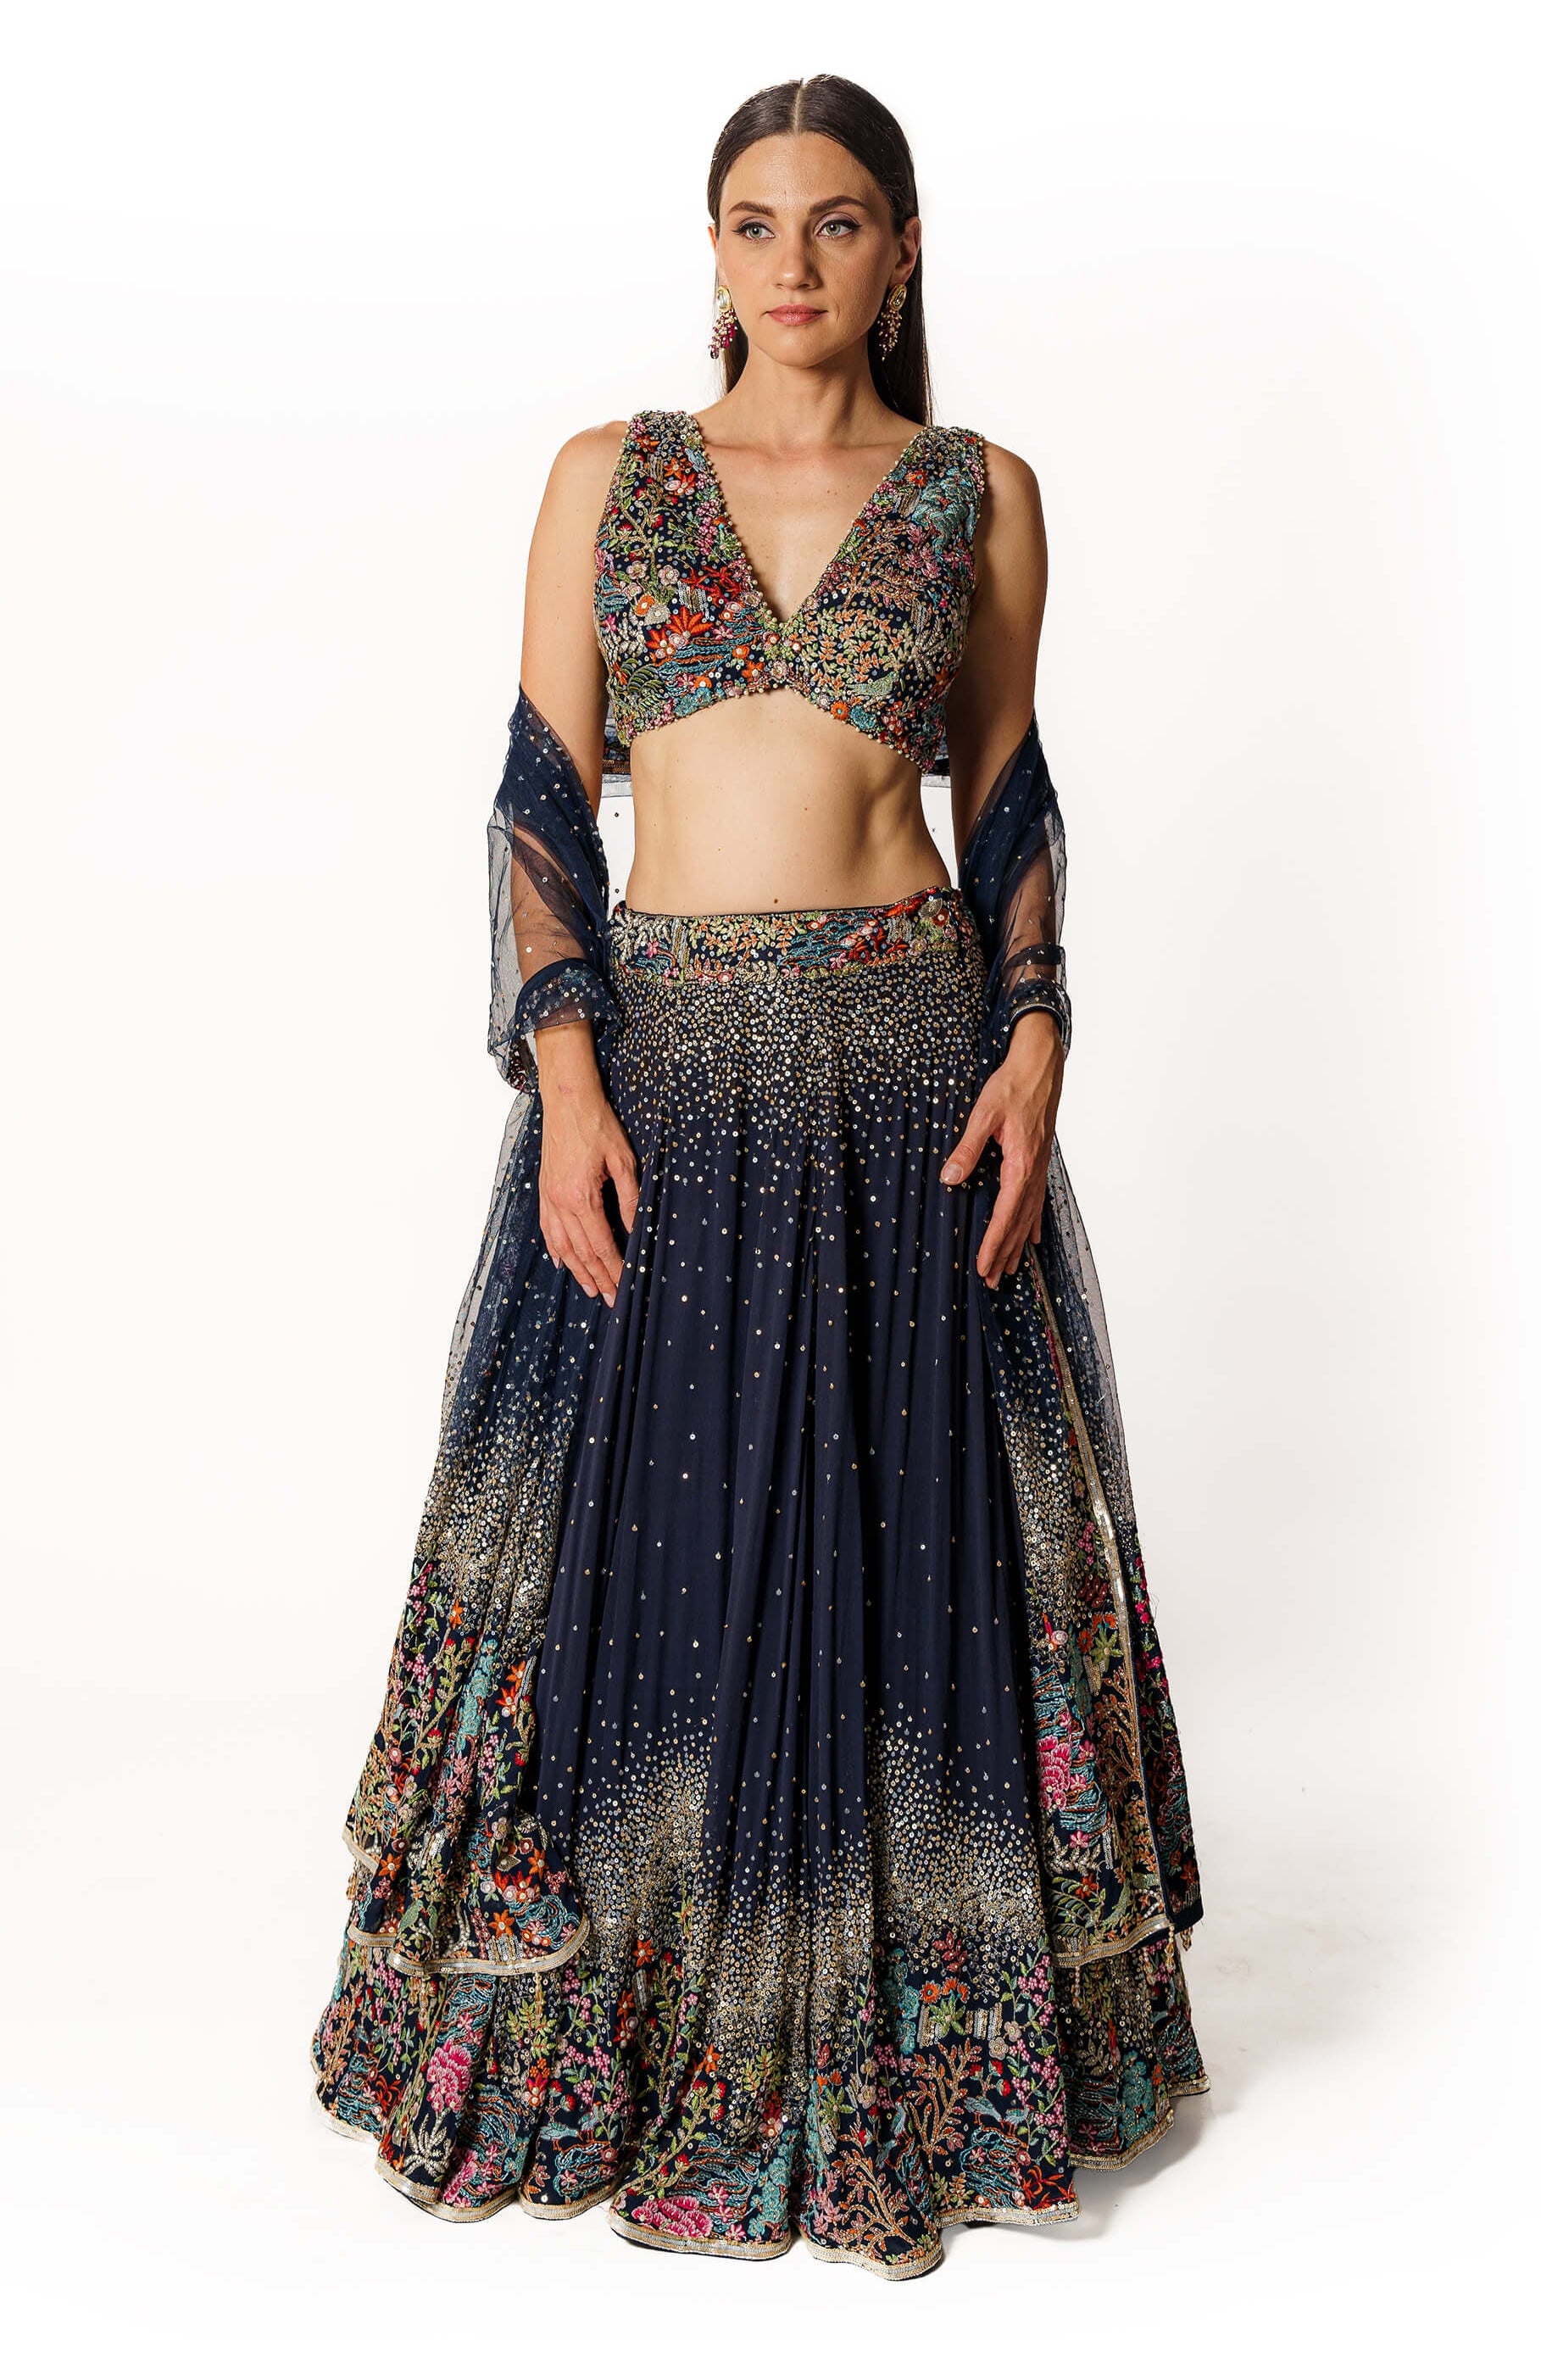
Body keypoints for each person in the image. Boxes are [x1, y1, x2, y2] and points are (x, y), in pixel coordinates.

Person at [311, 71, 1206, 2280]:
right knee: (648, 1533)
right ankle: (639, 2002)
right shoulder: (608, 480)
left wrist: (1041, 1037)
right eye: (751, 222)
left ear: (899, 254)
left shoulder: (980, 494)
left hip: (911, 1075)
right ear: (709, 252)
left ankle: (923, 2029)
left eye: (834, 222)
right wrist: (567, 1074)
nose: (790, 262)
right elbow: (540, 799)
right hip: (672, 1077)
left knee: (914, 1542)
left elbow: (1008, 797)